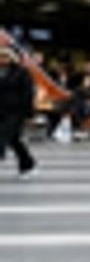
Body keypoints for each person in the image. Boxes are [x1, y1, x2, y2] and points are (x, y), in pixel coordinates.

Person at [0, 46, 38, 178]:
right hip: (2, 110)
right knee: (14, 140)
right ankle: (28, 165)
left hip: (16, 111)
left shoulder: (22, 72)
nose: (3, 59)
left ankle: (1, 153)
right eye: (1, 56)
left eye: (6, 56)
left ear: (12, 58)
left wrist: (30, 113)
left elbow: (28, 93)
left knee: (4, 133)